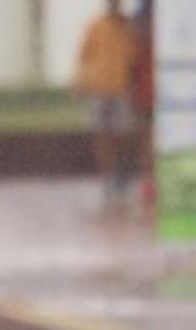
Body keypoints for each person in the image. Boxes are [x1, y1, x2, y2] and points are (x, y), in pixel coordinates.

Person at [74, 0, 143, 205]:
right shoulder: (95, 25)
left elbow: (134, 57)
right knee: (101, 135)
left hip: (121, 89)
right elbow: (84, 55)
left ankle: (120, 172)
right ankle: (106, 179)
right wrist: (80, 82)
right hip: (99, 89)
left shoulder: (127, 28)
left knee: (122, 133)